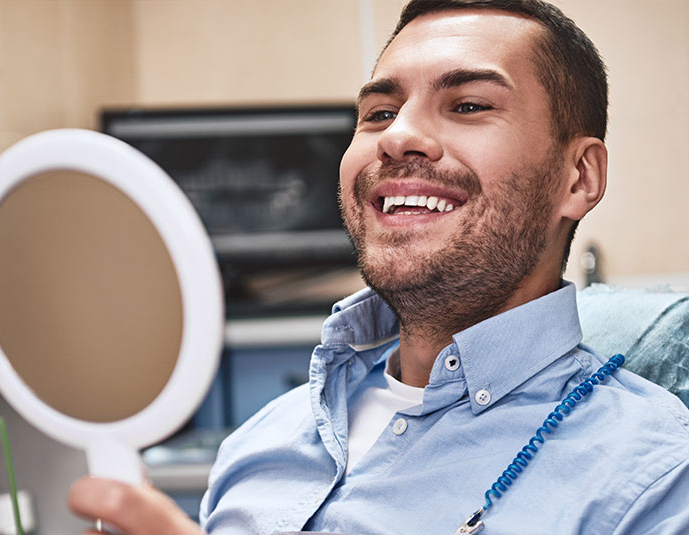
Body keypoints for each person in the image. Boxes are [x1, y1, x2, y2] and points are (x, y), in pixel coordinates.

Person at [69, 1, 689, 533]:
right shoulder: (258, 444)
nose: (398, 136)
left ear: (578, 176)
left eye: (469, 105)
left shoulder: (655, 480)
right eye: (378, 113)